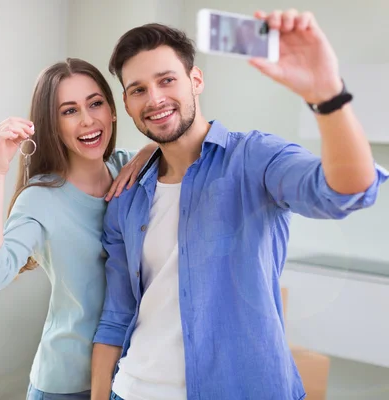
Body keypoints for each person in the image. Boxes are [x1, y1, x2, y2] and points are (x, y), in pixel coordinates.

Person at [91, 9, 388, 400]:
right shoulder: (126, 197)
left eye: (167, 80)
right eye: (138, 89)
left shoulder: (254, 159)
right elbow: (117, 316)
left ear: (195, 80)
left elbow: (346, 191)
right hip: (132, 390)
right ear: (127, 104)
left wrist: (327, 95)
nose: (155, 98)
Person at [0, 58, 157, 400]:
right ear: (52, 125)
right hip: (66, 382)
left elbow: (185, 145)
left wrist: (149, 148)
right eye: (69, 111)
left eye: (96, 103)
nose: (88, 120)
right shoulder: (41, 197)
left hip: (133, 377)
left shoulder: (130, 168)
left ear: (113, 111)